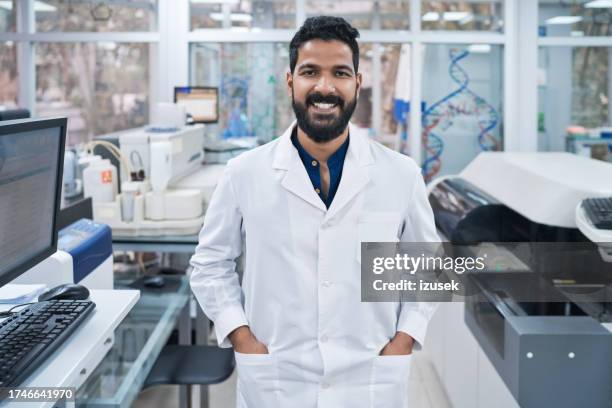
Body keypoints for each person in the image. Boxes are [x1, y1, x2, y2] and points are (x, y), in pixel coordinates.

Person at [190, 15, 439, 408]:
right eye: (310, 72)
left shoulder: (401, 174)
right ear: (290, 80)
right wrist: (240, 335)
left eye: (340, 72)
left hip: (370, 376)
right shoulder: (244, 173)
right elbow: (209, 263)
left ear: (358, 82)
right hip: (278, 377)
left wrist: (405, 339)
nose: (325, 87)